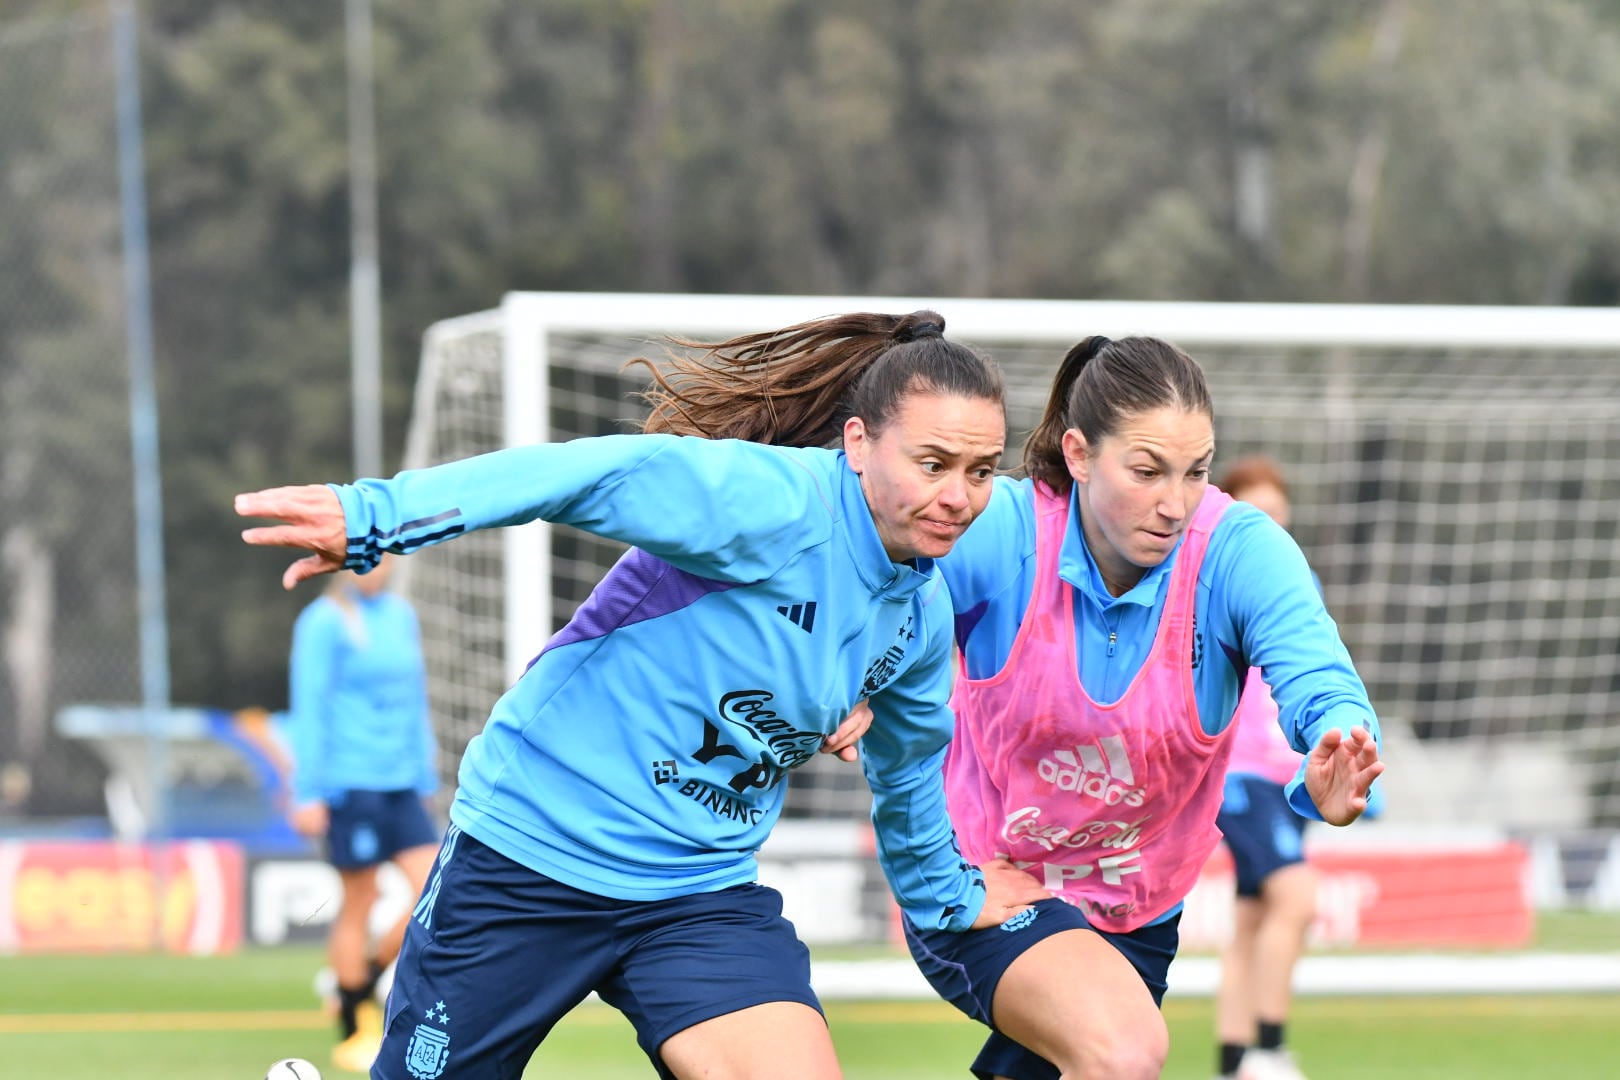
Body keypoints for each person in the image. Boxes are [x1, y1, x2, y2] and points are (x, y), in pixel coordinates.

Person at [236, 310, 1050, 1080]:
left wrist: (951, 894)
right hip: (533, 851)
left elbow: (908, 769)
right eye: (934, 464)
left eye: (982, 471)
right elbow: (583, 474)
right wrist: (379, 515)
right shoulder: (768, 501)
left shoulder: (918, 612)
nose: (959, 498)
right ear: (859, 442)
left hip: (696, 891)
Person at [903, 335, 1385, 1080]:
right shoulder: (1003, 532)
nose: (1174, 503)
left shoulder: (1237, 551)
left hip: (1138, 914)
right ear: (1079, 453)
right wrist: (847, 685)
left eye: (1195, 472)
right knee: (1122, 1054)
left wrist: (1334, 744)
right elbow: (883, 608)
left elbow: (1315, 666)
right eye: (1147, 471)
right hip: (987, 883)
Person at [284, 554, 442, 1074]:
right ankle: (352, 1030)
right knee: (360, 900)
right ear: (342, 567)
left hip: (401, 784)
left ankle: (364, 979)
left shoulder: (401, 616)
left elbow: (415, 699)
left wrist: (424, 773)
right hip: (351, 784)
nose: (374, 569)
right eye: (362, 561)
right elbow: (310, 706)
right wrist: (308, 791)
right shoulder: (324, 623)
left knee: (437, 891)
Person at [1211, 456, 1321, 1080]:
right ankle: (1270, 1048)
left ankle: (1231, 1062)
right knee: (1297, 898)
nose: (1271, 527)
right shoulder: (1219, 584)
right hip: (1240, 774)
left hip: (1290, 779)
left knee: (1253, 918)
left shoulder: (1297, 587)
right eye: (1257, 515)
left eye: (1280, 515)